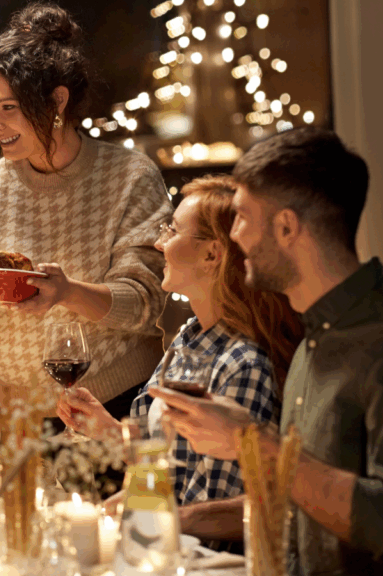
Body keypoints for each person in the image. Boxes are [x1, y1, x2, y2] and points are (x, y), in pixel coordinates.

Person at [152, 127, 383, 575]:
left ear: (287, 227)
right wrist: (172, 519)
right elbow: (299, 498)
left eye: (241, 218)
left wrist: (251, 443)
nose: (234, 238)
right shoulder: (313, 338)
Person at [0, 2, 171, 424]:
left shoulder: (128, 176)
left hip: (119, 407)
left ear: (57, 101)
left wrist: (67, 292)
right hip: (23, 418)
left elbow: (148, 304)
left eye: (9, 108)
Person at [56, 175, 303, 551]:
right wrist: (106, 429)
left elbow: (210, 514)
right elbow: (171, 460)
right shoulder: (188, 339)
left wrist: (140, 518)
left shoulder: (242, 363)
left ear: (212, 254)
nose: (159, 242)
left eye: (171, 230)